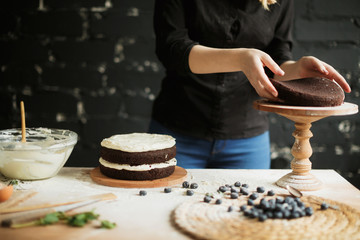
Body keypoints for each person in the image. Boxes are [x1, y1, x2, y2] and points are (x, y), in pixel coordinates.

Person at [148, 0, 351, 169]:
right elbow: (171, 49)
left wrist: (296, 69)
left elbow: (277, 61)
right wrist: (240, 58)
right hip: (177, 132)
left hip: (248, 141)